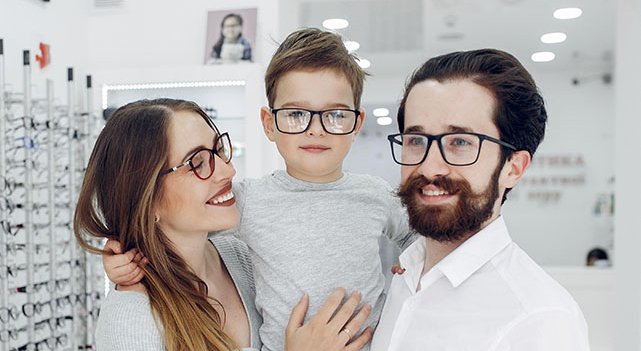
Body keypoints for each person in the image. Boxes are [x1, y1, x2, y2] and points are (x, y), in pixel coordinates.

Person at [104, 29, 414, 351]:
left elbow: (417, 234)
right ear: (269, 124)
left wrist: (415, 264)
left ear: (357, 122)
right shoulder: (251, 202)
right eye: (296, 115)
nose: (316, 129)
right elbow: (167, 235)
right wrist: (128, 255)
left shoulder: (236, 258)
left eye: (335, 115)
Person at [75, 98, 372, 351]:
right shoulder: (131, 319)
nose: (227, 170)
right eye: (197, 163)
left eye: (219, 151)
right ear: (146, 195)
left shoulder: (240, 257)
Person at [371, 49, 591, 350]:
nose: (429, 167)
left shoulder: (538, 318)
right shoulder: (403, 275)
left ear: (513, 168)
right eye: (416, 141)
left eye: (460, 142)